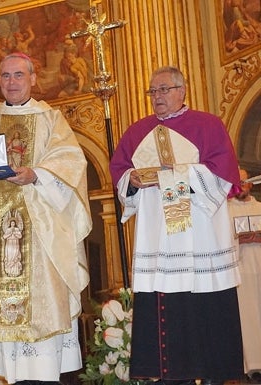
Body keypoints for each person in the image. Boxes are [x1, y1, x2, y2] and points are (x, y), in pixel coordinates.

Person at [0, 52, 92, 385]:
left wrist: (36, 175)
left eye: (19, 75)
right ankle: (13, 376)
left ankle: (46, 375)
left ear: (33, 78)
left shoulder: (52, 121)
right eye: (5, 76)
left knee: (45, 304)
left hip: (42, 235)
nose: (12, 82)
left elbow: (72, 165)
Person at [109, 66, 243, 385]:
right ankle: (174, 377)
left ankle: (213, 375)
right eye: (153, 91)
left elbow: (224, 174)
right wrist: (133, 180)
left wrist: (179, 175)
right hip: (159, 239)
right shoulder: (137, 131)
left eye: (164, 89)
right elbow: (120, 172)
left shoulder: (208, 125)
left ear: (183, 91)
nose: (158, 97)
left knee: (205, 308)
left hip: (201, 237)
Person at [227, 168, 261, 383]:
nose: (241, 186)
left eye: (244, 181)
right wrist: (239, 239)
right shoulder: (226, 211)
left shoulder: (260, 208)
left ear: (251, 184)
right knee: (247, 317)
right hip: (241, 273)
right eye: (236, 183)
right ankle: (252, 364)